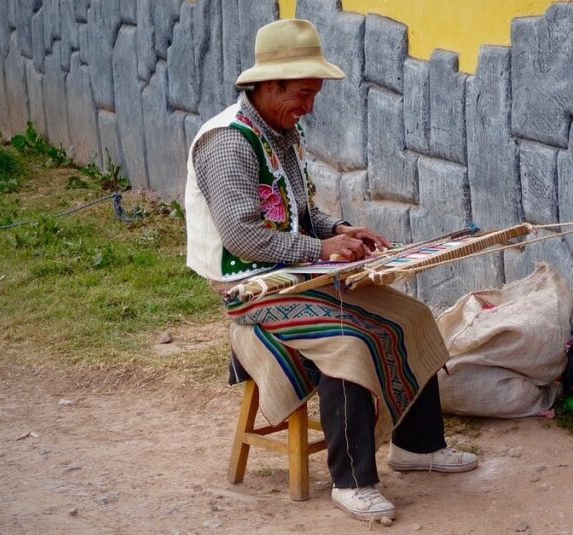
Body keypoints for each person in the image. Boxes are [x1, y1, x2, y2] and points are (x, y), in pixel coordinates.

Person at [183, 18, 477, 522]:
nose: (309, 106)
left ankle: (418, 446)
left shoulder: (278, 130)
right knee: (347, 338)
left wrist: (341, 229)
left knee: (410, 313)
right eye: (302, 94)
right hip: (250, 287)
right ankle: (352, 483)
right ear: (267, 85)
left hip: (292, 273)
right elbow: (243, 237)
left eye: (314, 95)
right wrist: (321, 250)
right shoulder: (229, 142)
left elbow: (300, 212)